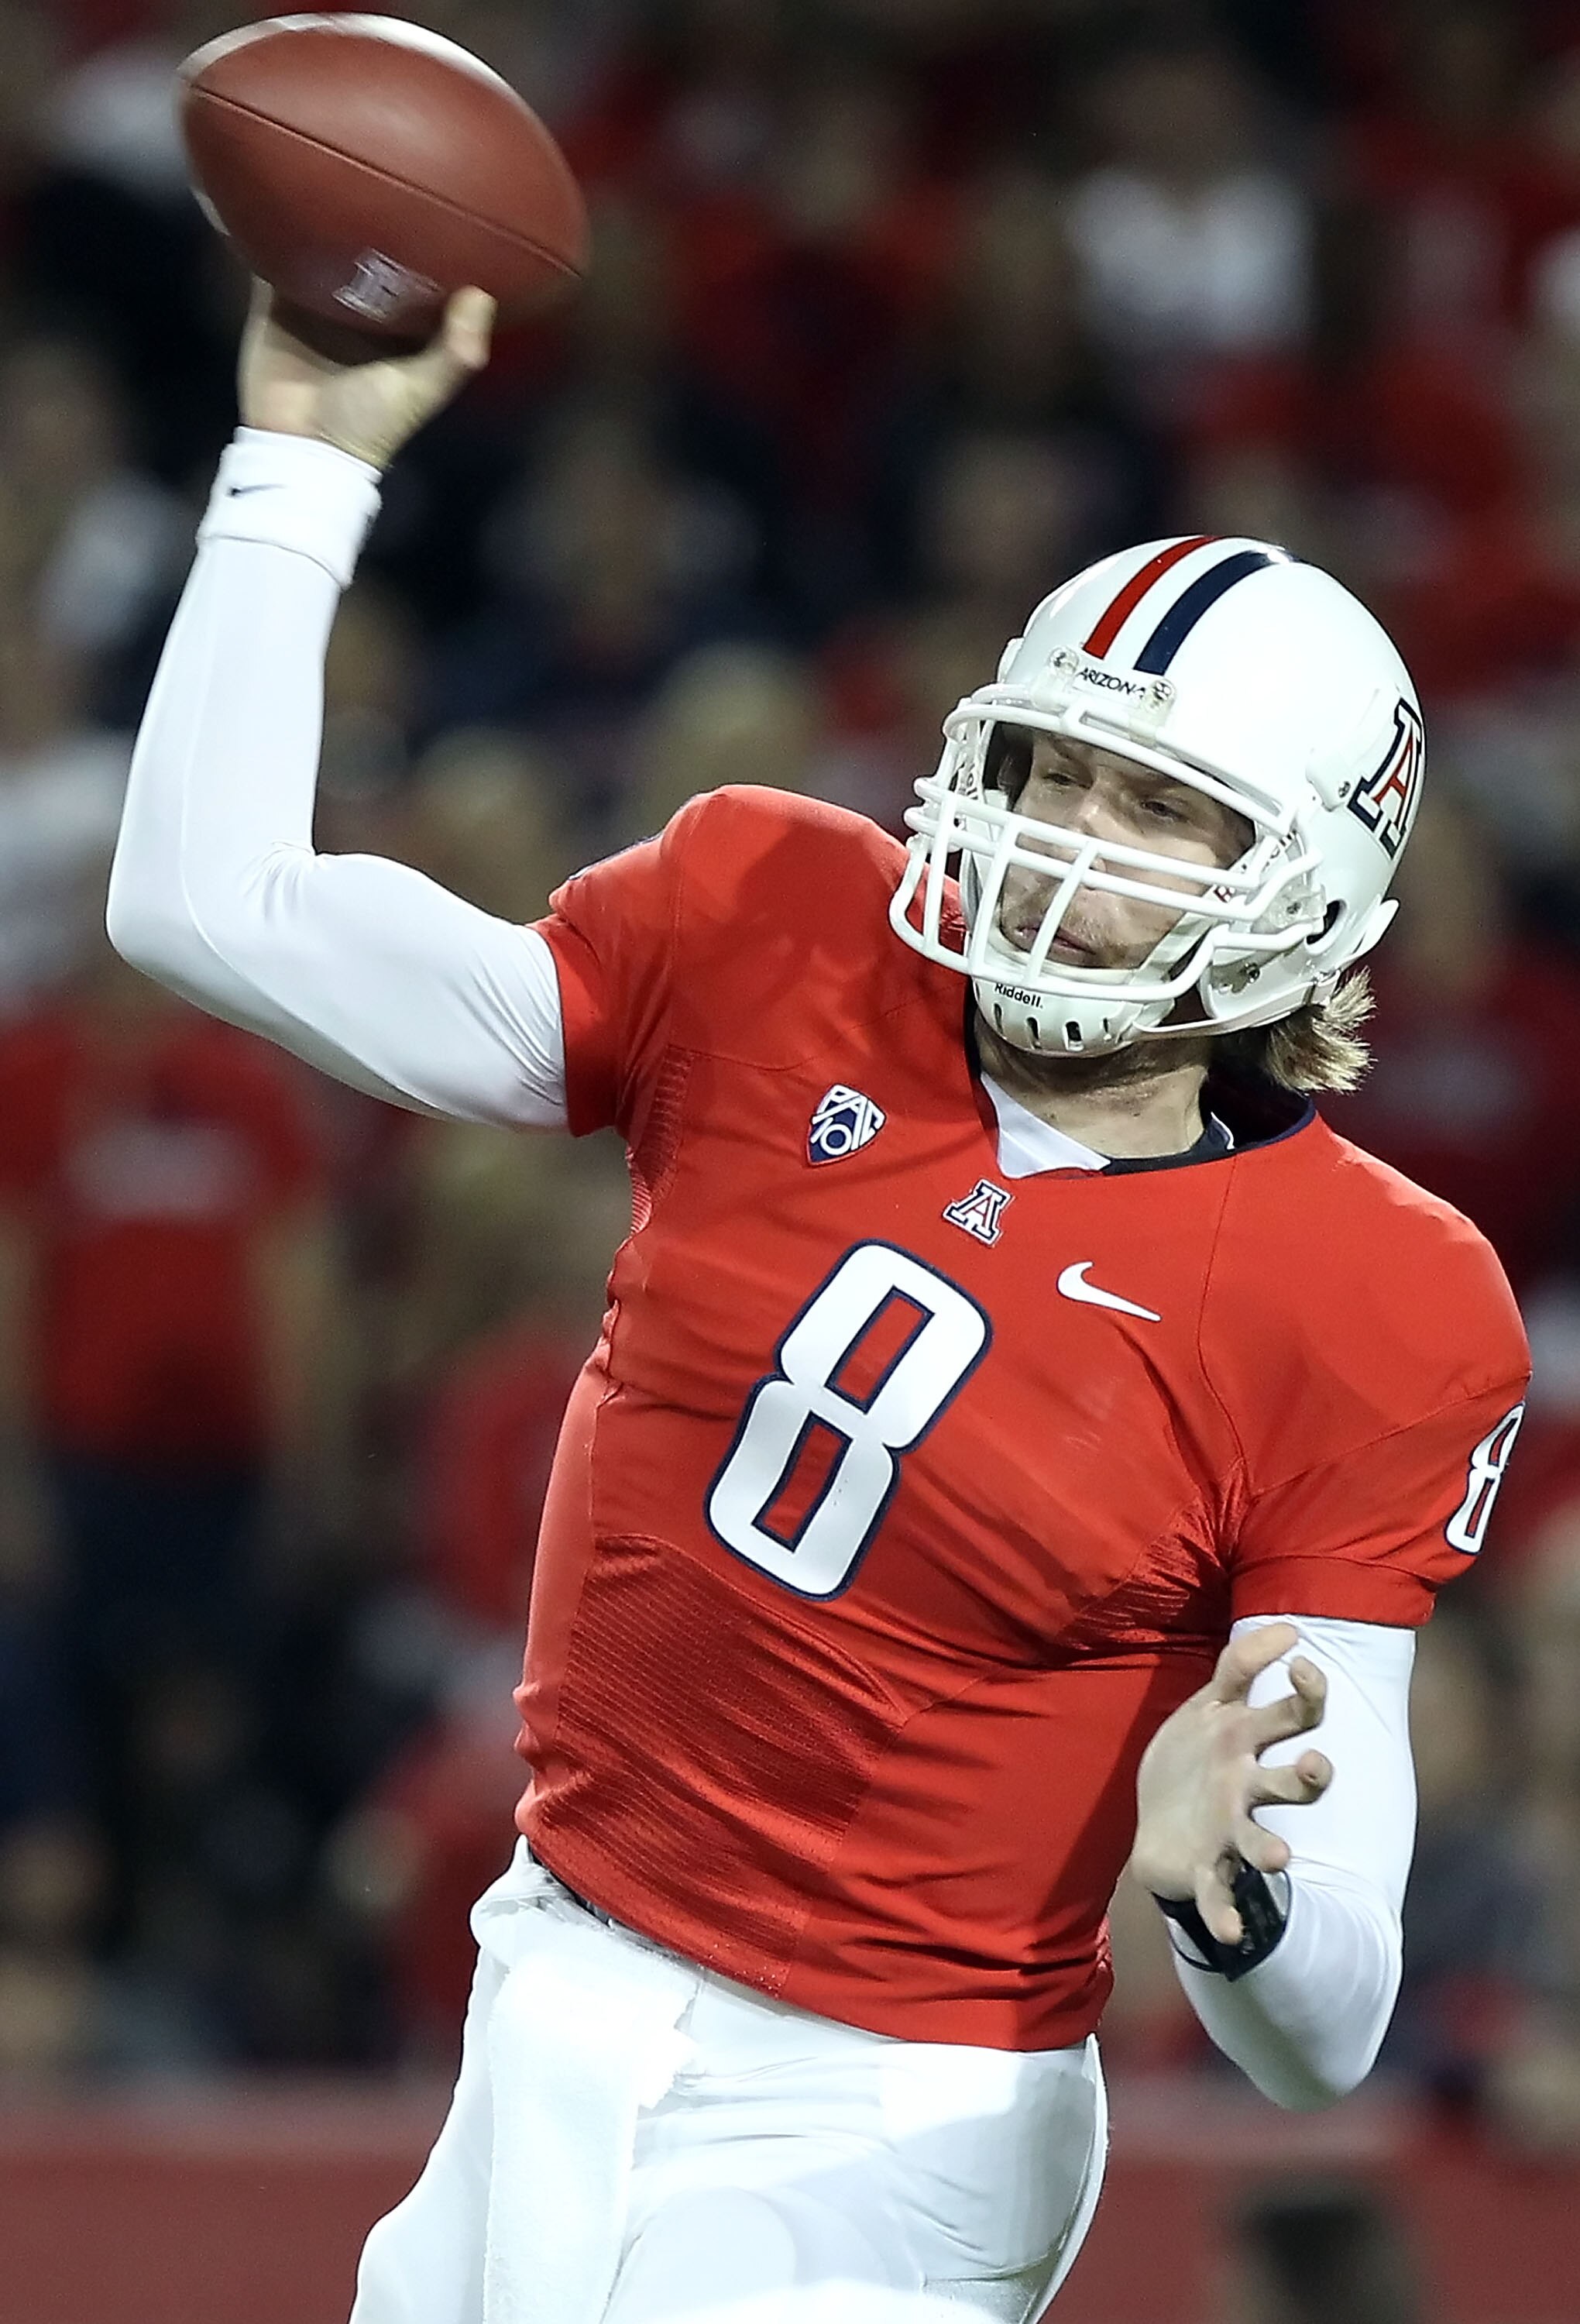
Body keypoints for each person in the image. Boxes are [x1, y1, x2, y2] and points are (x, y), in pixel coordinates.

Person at [106, 288, 1529, 2323]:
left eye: (1155, 812)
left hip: (893, 2120)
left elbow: (1324, 2034)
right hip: (547, 1990)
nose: (1063, 838)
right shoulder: (775, 919)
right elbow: (201, 902)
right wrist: (299, 463)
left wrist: (1230, 1891)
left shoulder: (1377, 1289)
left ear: (1306, 896)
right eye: (1045, 766)